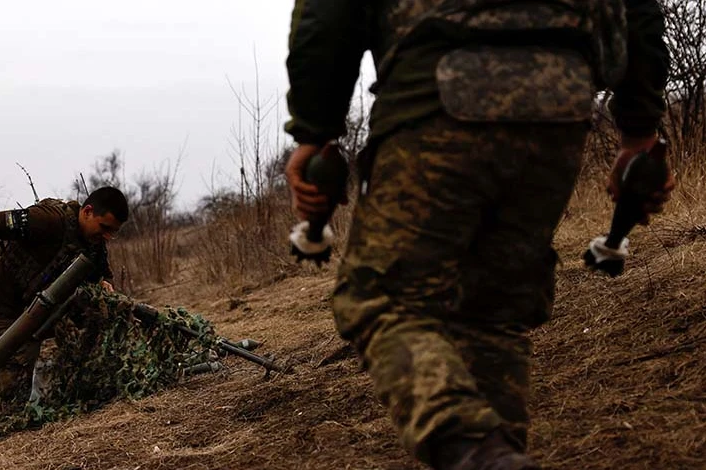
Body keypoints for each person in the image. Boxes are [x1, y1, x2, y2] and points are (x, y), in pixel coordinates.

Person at [284, 2, 672, 469]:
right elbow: (640, 13)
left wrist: (315, 131)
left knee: (382, 297)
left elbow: (326, 17)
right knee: (493, 315)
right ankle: (496, 458)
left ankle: (471, 448)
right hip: (560, 107)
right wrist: (640, 131)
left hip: (435, 101)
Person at [0, 187, 129, 423]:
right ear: (88, 211)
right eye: (105, 228)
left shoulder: (93, 243)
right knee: (6, 412)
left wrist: (105, 284)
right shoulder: (47, 220)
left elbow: (103, 273)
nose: (107, 237)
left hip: (34, 321)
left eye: (113, 233)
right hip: (4, 316)